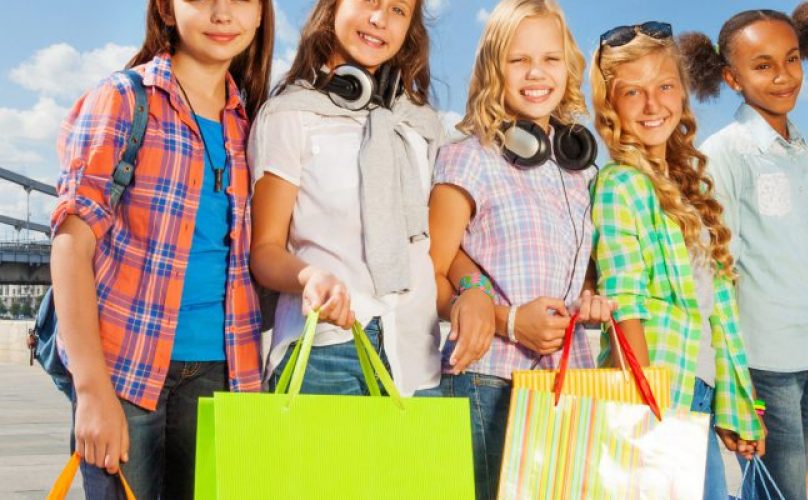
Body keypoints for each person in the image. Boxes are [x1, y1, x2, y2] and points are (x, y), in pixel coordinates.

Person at [49, 1, 273, 497]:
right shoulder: (123, 99)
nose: (222, 13)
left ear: (260, 15)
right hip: (125, 373)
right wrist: (91, 391)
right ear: (167, 11)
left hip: (225, 373)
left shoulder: (252, 124)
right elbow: (70, 247)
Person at [427, 1, 613, 497]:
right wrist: (509, 320)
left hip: (568, 381)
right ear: (494, 68)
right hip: (490, 382)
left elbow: (580, 273)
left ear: (568, 66)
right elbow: (428, 274)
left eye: (551, 59)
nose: (537, 73)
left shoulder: (581, 170)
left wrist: (591, 298)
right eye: (518, 59)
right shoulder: (467, 158)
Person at [589, 22, 764, 499]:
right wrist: (647, 408)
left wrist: (738, 407)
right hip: (659, 389)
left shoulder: (689, 189)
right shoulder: (619, 184)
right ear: (610, 106)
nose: (652, 105)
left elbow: (720, 312)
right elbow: (624, 302)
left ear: (682, 95)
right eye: (633, 92)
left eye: (664, 86)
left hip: (700, 388)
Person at [679, 2, 808, 498]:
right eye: (763, 65)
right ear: (731, 78)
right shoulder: (723, 155)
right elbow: (716, 276)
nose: (783, 76)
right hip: (764, 364)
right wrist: (734, 384)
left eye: (791, 59)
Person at [250, 0, 444, 398]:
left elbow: (434, 245)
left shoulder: (421, 127)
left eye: (398, 10)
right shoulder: (289, 115)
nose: (379, 20)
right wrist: (310, 278)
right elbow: (265, 251)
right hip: (327, 350)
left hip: (415, 354)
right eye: (368, 2)